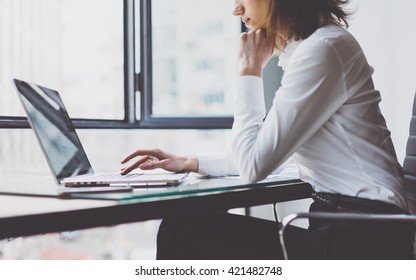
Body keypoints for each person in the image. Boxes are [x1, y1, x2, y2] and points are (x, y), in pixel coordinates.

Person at [120, 0, 415, 259]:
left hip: (363, 244)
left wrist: (249, 72)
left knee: (182, 230)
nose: (236, 9)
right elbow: (268, 152)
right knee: (190, 228)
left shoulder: (323, 50)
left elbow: (254, 165)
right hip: (353, 229)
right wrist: (191, 162)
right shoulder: (317, 49)